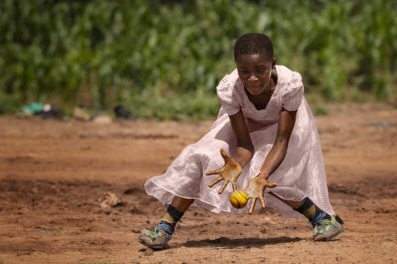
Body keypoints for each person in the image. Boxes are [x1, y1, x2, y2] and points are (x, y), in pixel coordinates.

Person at [139, 33, 344, 250]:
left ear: (272, 64)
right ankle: (164, 229)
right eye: (244, 71)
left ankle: (322, 219)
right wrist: (235, 164)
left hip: (281, 130)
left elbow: (282, 140)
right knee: (200, 155)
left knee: (268, 172)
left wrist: (261, 176)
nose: (252, 78)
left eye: (260, 70)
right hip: (246, 124)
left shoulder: (289, 85)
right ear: (236, 67)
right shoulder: (230, 89)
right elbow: (245, 145)